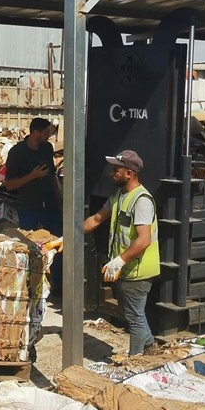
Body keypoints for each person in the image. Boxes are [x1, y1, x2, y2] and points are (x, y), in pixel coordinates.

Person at [83, 149, 159, 356]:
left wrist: (119, 261)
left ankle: (135, 359)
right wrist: (68, 235)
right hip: (126, 268)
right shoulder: (119, 195)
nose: (111, 173)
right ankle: (150, 346)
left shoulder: (142, 200)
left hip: (138, 270)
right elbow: (97, 219)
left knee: (133, 317)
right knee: (133, 313)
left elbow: (144, 239)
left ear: (129, 173)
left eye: (116, 170)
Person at [3, 117, 63, 291]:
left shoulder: (47, 148)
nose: (49, 136)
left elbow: (51, 176)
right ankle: (27, 286)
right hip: (29, 208)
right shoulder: (17, 153)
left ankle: (58, 285)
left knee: (58, 245)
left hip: (50, 207)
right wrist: (32, 176)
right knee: (27, 249)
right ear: (36, 133)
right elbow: (10, 184)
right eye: (46, 132)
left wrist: (58, 202)